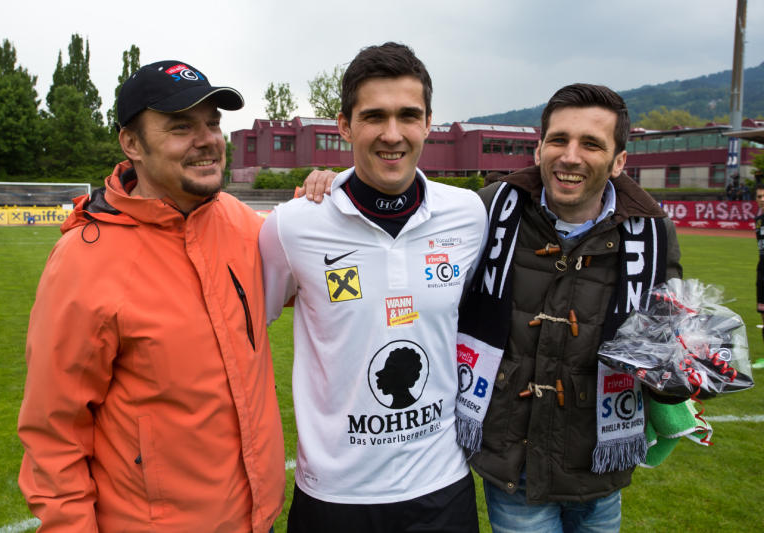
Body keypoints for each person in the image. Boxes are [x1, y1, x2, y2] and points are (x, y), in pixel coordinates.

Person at [17, 60, 285, 532]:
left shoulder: (242, 223)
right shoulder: (83, 261)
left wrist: (335, 196)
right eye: (181, 127)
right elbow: (53, 431)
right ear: (132, 143)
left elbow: (319, 263)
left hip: (254, 521)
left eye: (213, 124)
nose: (207, 140)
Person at [259, 42, 486, 533]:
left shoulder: (468, 215)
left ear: (429, 123)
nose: (392, 134)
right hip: (335, 497)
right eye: (374, 116)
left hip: (442, 489)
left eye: (408, 116)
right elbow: (248, 329)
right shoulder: (293, 226)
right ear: (344, 126)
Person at [456, 84, 684, 533]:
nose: (570, 156)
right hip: (515, 465)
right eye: (559, 140)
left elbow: (663, 341)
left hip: (601, 463)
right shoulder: (488, 209)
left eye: (591, 144)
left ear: (619, 161)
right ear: (539, 148)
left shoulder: (654, 233)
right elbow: (409, 220)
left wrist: (690, 367)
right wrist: (334, 186)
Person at [755, 183, 764, 339]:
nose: (762, 199)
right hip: (762, 269)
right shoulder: (758, 220)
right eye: (759, 196)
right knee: (762, 310)